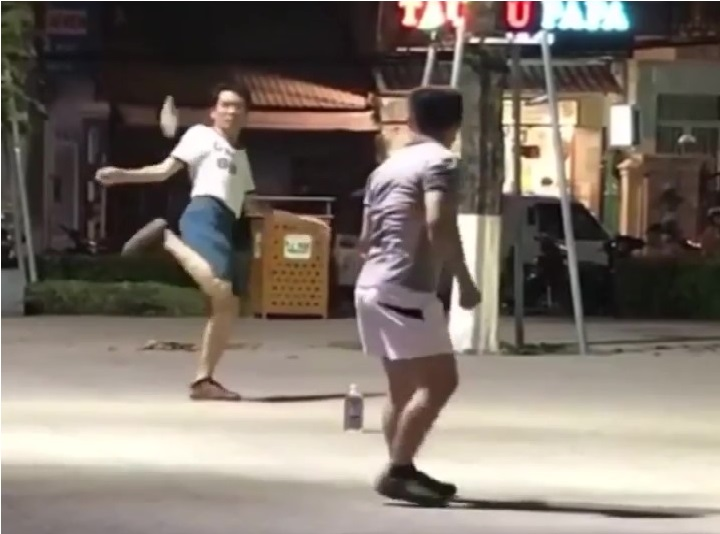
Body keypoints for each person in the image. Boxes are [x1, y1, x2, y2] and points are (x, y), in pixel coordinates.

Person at [95, 81, 272, 401]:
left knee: (228, 305)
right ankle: (166, 239)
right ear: (213, 112)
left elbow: (250, 203)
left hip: (230, 223)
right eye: (225, 105)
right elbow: (164, 171)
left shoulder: (240, 156)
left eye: (238, 106)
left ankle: (203, 380)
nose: (231, 111)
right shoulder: (201, 136)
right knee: (220, 288)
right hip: (204, 213)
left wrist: (293, 218)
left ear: (246, 114)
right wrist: (122, 175)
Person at [354, 87, 480, 505]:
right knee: (441, 382)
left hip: (371, 286)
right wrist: (464, 280)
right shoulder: (441, 162)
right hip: (406, 288)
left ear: (411, 122)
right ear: (455, 126)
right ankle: (399, 470)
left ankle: (402, 469)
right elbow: (438, 222)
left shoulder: (385, 169)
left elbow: (365, 238)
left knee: (401, 390)